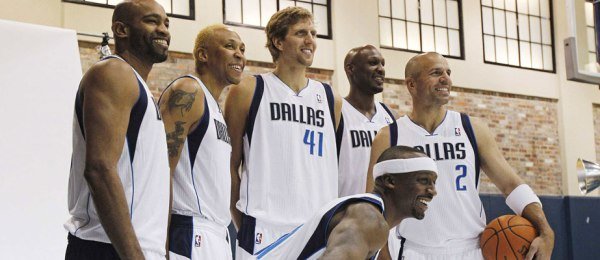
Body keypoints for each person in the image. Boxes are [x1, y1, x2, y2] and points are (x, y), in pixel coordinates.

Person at [366, 52, 555, 260]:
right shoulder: (389, 136)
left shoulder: (471, 129)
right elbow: (373, 208)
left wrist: (546, 230)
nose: (446, 78)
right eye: (436, 73)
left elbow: (511, 185)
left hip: (471, 250)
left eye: (448, 72)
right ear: (412, 84)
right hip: (416, 252)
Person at [224, 6, 343, 259]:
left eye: (313, 33)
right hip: (264, 230)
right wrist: (241, 221)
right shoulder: (248, 90)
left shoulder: (331, 98)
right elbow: (229, 165)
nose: (310, 40)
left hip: (317, 229)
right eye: (301, 33)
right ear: (278, 42)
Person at [64, 0, 171, 259]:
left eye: (166, 23)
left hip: (134, 249)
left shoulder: (139, 87)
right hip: (109, 248)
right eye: (151, 20)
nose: (164, 29)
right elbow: (100, 169)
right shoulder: (114, 72)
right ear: (121, 30)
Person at [255, 146, 437, 259]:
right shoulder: (368, 219)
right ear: (390, 181)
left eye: (433, 183)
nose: (433, 191)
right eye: (423, 181)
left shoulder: (367, 215)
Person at [159, 24, 246, 259]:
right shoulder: (188, 91)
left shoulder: (215, 108)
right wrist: (160, 244)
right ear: (203, 55)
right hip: (188, 232)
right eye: (230, 46)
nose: (239, 54)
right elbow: (160, 169)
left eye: (242, 49)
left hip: (217, 235)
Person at [338, 45, 395, 197]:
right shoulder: (337, 112)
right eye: (373, 63)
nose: (381, 69)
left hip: (382, 212)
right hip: (345, 212)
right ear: (350, 69)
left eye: (383, 64)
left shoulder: (390, 116)